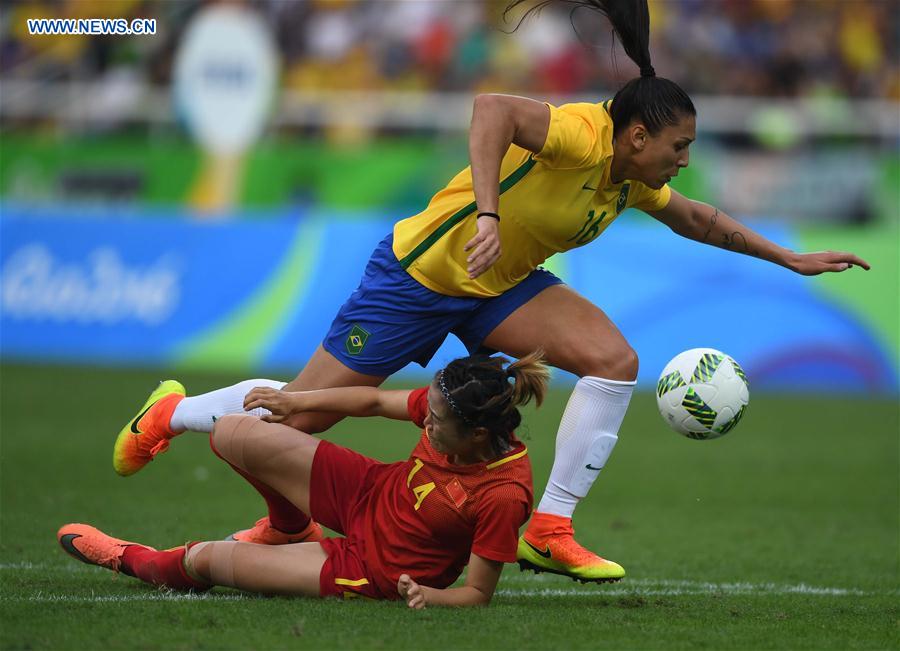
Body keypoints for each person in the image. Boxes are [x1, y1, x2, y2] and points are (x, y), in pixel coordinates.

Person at [110, 0, 870, 583]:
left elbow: (699, 220)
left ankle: (550, 528)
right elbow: (489, 109)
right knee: (301, 417)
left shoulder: (629, 182)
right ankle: (174, 414)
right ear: (638, 138)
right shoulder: (581, 134)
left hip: (498, 288)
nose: (683, 161)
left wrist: (790, 257)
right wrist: (487, 212)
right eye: (679, 147)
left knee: (612, 357)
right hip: (417, 280)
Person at [61, 353, 549, 607]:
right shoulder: (454, 405)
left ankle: (128, 559)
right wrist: (299, 402)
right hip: (368, 489)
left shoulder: (504, 494)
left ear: (479, 433)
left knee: (205, 560)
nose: (426, 422)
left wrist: (429, 597)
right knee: (234, 431)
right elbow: (375, 402)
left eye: (437, 423)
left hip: (372, 568)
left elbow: (478, 595)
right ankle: (289, 527)